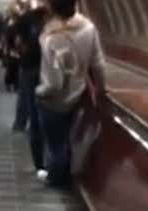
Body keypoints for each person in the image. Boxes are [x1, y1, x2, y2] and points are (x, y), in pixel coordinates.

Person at [35, 0, 106, 187]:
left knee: (55, 141)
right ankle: (64, 174)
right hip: (77, 95)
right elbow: (98, 63)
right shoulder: (89, 28)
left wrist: (39, 92)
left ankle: (57, 178)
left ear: (51, 7)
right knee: (67, 136)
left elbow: (53, 82)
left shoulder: (50, 36)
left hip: (52, 100)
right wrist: (100, 89)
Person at [13, 0, 49, 181]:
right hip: (51, 70)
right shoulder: (63, 20)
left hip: (30, 69)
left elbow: (18, 42)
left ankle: (40, 165)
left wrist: (22, 54)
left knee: (33, 110)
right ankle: (55, 160)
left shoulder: (25, 19)